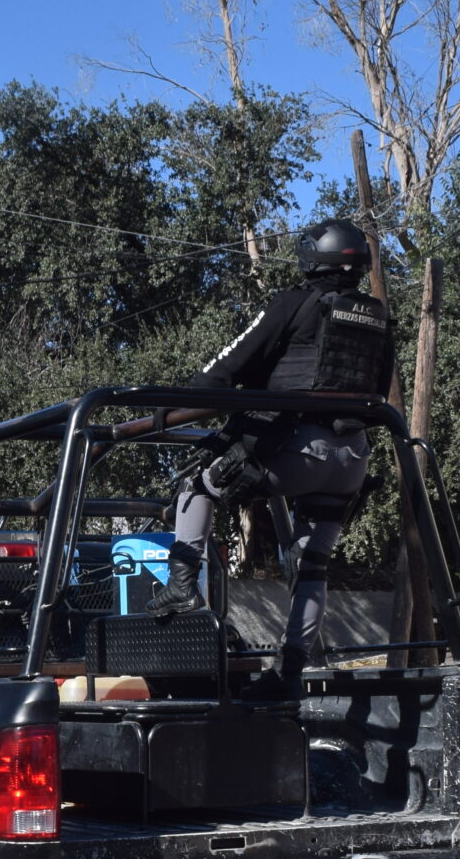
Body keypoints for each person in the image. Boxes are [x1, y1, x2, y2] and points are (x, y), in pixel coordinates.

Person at [162, 217, 395, 687]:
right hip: (352, 459)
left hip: (297, 452)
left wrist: (173, 406)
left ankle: (180, 590)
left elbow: (229, 364)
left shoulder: (293, 303)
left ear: (311, 258)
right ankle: (290, 669)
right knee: (313, 563)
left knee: (197, 484)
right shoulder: (378, 317)